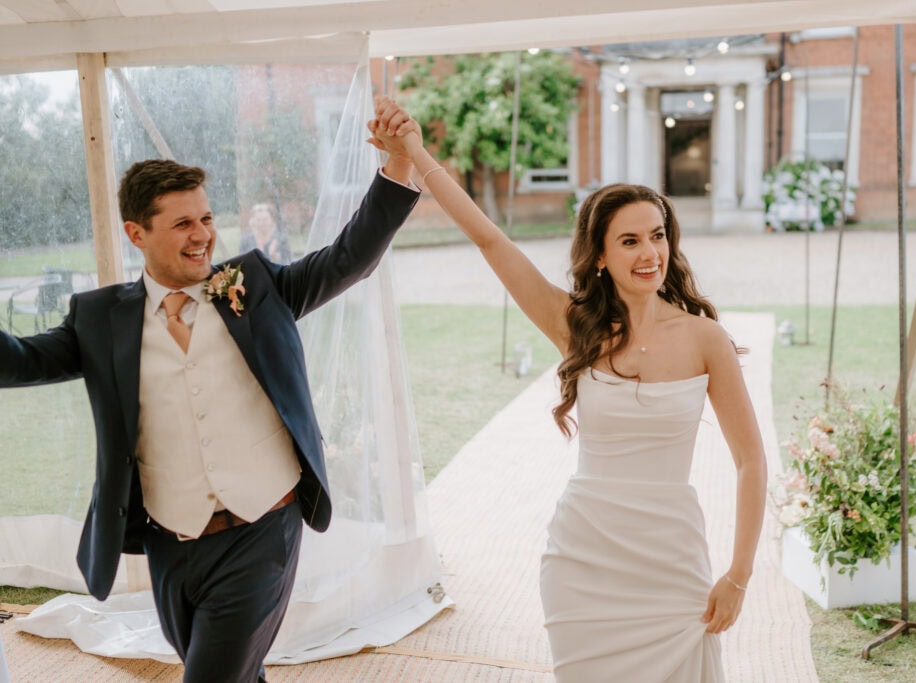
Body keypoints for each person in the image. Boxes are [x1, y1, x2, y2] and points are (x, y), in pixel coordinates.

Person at [369, 97, 767, 682]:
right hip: (585, 556)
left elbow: (751, 461)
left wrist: (738, 575)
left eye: (657, 236)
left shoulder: (706, 339)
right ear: (601, 256)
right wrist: (417, 154)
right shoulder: (572, 323)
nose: (649, 252)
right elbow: (490, 242)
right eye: (629, 240)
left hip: (672, 557)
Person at [0, 141, 419, 681]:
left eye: (205, 218)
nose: (202, 235)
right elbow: (18, 363)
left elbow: (348, 258)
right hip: (171, 545)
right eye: (182, 224)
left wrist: (399, 165)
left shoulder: (255, 286)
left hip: (263, 530)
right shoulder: (101, 320)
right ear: (137, 233)